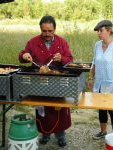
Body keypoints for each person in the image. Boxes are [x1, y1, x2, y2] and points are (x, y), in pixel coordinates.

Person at [19, 15, 73, 147]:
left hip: (58, 80)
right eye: (44, 31)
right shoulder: (32, 42)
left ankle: (61, 136)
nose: (47, 34)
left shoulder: (61, 42)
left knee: (59, 108)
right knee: (42, 108)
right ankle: (45, 133)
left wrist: (61, 59)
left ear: (54, 29)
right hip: (39, 81)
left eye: (50, 31)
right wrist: (24, 55)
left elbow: (70, 59)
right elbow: (22, 56)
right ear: (40, 29)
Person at [88, 20, 113, 139]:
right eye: (98, 31)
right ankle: (103, 132)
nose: (99, 33)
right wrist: (91, 78)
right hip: (99, 83)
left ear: (109, 31)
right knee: (102, 109)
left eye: (101, 31)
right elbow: (94, 63)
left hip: (112, 84)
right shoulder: (97, 45)